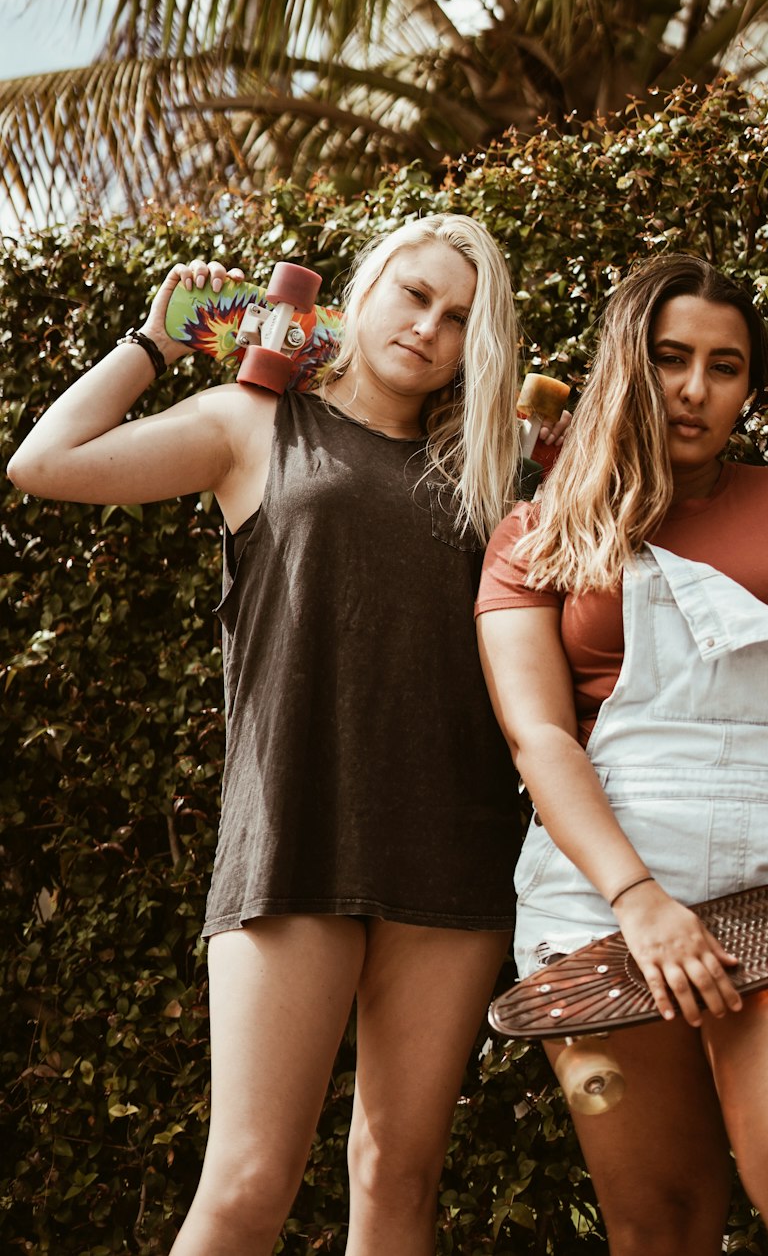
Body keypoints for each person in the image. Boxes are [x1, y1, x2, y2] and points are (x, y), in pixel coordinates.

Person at [7, 214, 537, 1256]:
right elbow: (45, 463)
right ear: (366, 287)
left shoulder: (491, 468)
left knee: (399, 1179)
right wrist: (156, 341)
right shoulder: (252, 422)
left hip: (455, 841)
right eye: (413, 295)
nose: (428, 328)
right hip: (296, 824)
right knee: (250, 1183)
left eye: (459, 319)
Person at [475, 253, 768, 1256]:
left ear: (748, 387)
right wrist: (639, 902)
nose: (693, 388)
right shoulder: (537, 533)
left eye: (724, 367)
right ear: (623, 365)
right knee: (661, 1221)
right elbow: (538, 733)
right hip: (606, 895)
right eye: (670, 357)